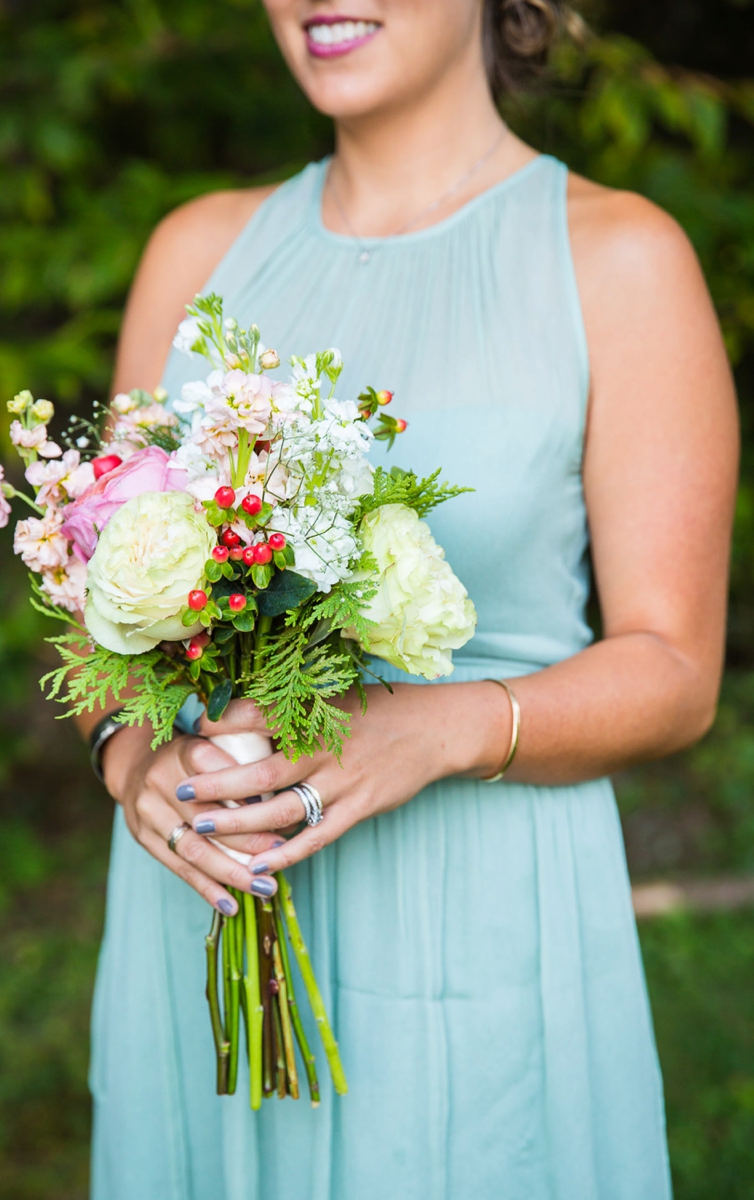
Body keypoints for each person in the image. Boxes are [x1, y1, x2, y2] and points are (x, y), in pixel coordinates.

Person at [84, 2, 738, 1197]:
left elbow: (674, 670)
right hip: (199, 922)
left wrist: (436, 729)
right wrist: (133, 763)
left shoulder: (616, 256)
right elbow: (105, 610)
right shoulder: (194, 252)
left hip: (477, 922)